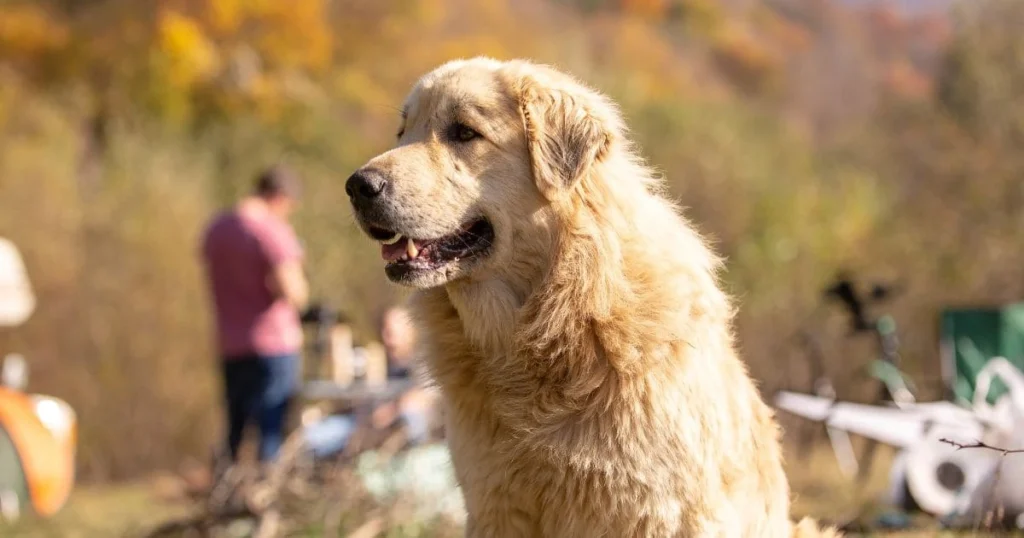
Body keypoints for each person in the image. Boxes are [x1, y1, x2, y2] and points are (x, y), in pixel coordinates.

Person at [199, 165, 309, 464]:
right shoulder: (271, 230)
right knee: (270, 431)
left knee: (235, 429)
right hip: (273, 344)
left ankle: (226, 493)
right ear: (280, 198)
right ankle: (264, 499)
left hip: (231, 342)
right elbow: (293, 291)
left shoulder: (217, 228)